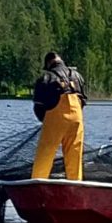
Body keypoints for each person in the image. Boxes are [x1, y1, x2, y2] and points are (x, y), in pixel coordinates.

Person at [31, 52, 87, 180]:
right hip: (77, 119)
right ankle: (75, 185)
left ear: (48, 63)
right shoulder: (77, 76)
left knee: (45, 154)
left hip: (55, 120)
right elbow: (83, 101)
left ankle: (38, 183)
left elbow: (38, 106)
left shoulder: (46, 77)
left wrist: (44, 120)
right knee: (75, 154)